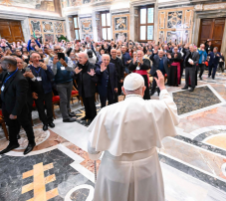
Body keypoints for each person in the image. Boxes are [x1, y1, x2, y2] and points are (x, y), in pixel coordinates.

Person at [87, 71, 179, 201]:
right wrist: (162, 88)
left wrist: (94, 155)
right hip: (147, 168)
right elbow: (171, 110)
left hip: (115, 170)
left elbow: (92, 147)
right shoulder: (156, 107)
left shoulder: (106, 112)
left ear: (123, 90)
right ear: (144, 89)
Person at [28, 53, 55, 130]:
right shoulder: (29, 68)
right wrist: (31, 92)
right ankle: (45, 123)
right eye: (35, 57)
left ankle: (50, 121)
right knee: (40, 109)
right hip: (37, 92)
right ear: (31, 59)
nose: (37, 59)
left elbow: (52, 77)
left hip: (47, 90)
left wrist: (46, 69)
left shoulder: (46, 67)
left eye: (38, 57)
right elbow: (27, 82)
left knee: (49, 107)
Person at [52, 48, 76, 123]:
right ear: (54, 51)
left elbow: (71, 69)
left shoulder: (67, 59)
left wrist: (65, 65)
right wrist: (54, 64)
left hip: (69, 81)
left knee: (68, 98)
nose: (58, 50)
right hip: (60, 83)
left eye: (59, 49)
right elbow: (53, 73)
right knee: (64, 100)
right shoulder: (51, 60)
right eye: (56, 49)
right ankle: (65, 117)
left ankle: (68, 112)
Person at [74, 52, 98, 125]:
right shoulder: (78, 66)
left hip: (89, 88)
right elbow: (74, 77)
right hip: (82, 88)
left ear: (86, 58)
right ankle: (87, 115)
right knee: (85, 103)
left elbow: (96, 79)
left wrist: (93, 76)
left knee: (91, 104)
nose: (79, 59)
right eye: (78, 58)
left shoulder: (91, 66)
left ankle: (93, 117)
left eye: (80, 58)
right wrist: (75, 73)